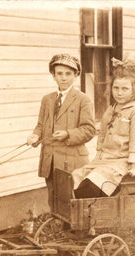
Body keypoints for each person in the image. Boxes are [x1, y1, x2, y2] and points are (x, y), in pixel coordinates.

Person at [27, 54, 96, 212]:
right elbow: (41, 125)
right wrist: (35, 136)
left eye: (68, 74)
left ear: (76, 75)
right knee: (54, 198)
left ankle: (75, 233)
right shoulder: (47, 99)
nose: (63, 78)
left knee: (72, 199)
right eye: (59, 73)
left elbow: (89, 130)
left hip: (71, 161)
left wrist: (67, 134)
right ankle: (58, 228)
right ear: (53, 75)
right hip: (50, 160)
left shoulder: (83, 100)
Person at [72, 54, 135, 198]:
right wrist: (98, 155)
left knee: (93, 183)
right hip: (105, 160)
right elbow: (103, 135)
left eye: (125, 89)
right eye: (116, 88)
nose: (119, 93)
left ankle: (93, 213)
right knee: (77, 176)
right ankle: (85, 212)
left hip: (121, 162)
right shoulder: (111, 109)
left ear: (133, 90)